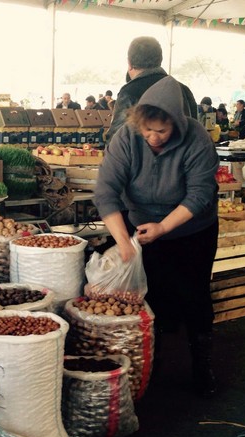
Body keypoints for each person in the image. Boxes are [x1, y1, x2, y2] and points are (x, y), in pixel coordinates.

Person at [93, 75, 219, 397]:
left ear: (176, 123)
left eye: (161, 131)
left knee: (195, 296)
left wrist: (164, 227)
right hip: (141, 227)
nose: (152, 136)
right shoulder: (126, 138)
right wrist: (123, 240)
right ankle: (154, 365)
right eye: (147, 129)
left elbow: (200, 194)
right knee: (153, 296)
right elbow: (106, 190)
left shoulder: (197, 138)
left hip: (192, 228)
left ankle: (203, 366)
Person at [106, 36, 197, 140]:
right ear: (160, 60)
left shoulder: (130, 91)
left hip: (141, 156)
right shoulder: (183, 90)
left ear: (129, 64)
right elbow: (196, 134)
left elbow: (117, 138)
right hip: (183, 156)